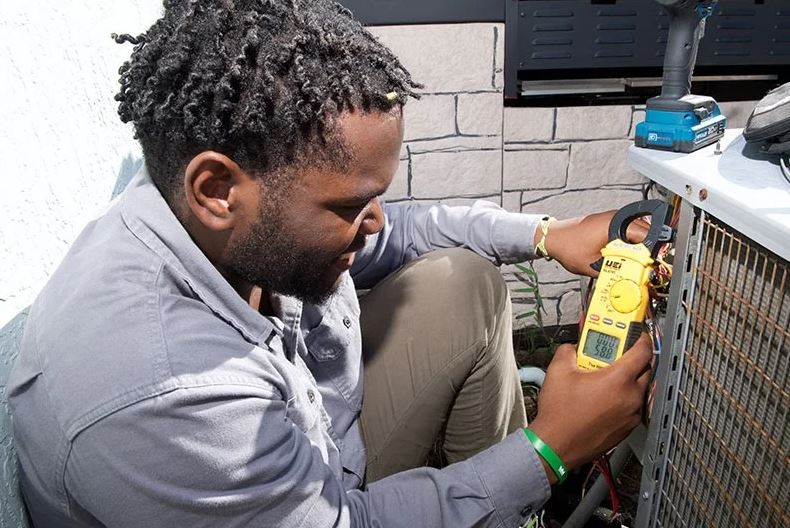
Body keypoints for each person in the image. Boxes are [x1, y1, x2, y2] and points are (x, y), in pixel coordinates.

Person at [8, 1, 653, 526]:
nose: (374, 221)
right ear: (216, 190)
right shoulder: (168, 396)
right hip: (322, 502)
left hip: (324, 437)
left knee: (465, 284)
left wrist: (550, 233)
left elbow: (404, 231)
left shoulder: (217, 213)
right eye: (351, 204)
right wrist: (552, 449)